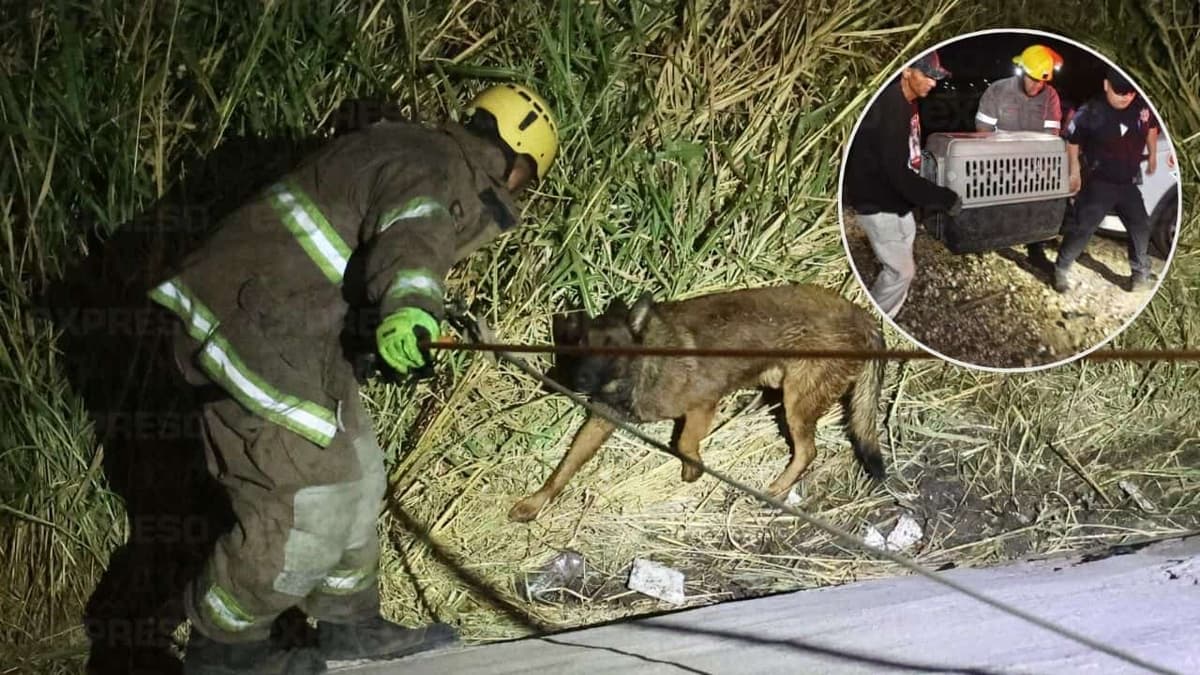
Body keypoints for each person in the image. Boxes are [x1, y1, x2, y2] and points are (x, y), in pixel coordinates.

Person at [146, 83, 560, 674]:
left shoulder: (416, 148)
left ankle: (350, 626)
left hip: (294, 331)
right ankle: (223, 653)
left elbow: (362, 250)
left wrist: (388, 327)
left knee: (362, 477)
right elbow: (412, 238)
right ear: (519, 166)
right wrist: (412, 307)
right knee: (312, 503)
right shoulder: (436, 169)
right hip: (255, 330)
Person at [843, 50, 963, 319]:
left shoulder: (908, 100)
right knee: (902, 271)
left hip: (895, 198)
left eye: (936, 77)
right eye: (928, 76)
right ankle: (874, 320)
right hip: (876, 200)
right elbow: (896, 174)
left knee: (907, 236)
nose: (933, 83)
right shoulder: (888, 108)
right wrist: (943, 197)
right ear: (907, 71)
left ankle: (889, 303)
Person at [1052, 67, 1159, 294]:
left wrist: (1153, 155)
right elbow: (1072, 141)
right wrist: (1074, 172)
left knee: (1141, 225)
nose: (1126, 97)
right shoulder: (1090, 111)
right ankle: (1061, 268)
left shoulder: (1141, 106)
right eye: (1120, 91)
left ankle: (1140, 273)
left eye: (1130, 92)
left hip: (1128, 183)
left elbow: (1151, 128)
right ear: (1106, 85)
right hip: (1099, 182)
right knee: (1084, 227)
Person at [974, 44, 1065, 268]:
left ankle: (1035, 250)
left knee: (1036, 206)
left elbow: (1051, 134)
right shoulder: (998, 90)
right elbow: (983, 130)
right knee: (994, 202)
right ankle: (988, 241)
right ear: (1022, 72)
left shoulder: (1050, 96)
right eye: (1033, 79)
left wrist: (1042, 166)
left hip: (1033, 164)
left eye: (1042, 81)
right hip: (998, 160)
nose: (1037, 85)